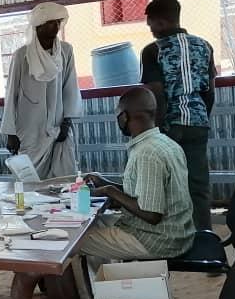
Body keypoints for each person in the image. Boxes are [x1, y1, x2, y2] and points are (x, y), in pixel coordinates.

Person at [81, 87, 194, 266]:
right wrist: (105, 183)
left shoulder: (146, 153)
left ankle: (81, 294)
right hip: (178, 233)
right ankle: (101, 286)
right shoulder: (165, 143)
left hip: (158, 240)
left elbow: (151, 214)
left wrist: (109, 191)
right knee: (90, 225)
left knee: (72, 242)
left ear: (124, 117)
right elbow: (142, 193)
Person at [140, 0, 217, 230]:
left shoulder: (153, 51)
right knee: (198, 187)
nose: (150, 29)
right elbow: (210, 90)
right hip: (197, 123)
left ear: (161, 22)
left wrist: (158, 131)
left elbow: (156, 94)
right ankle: (203, 238)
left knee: (164, 186)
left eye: (151, 24)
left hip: (169, 126)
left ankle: (173, 238)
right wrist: (201, 118)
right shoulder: (204, 46)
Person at [1, 2, 82, 180]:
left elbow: (70, 87)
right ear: (38, 25)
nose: (56, 26)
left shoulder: (66, 51)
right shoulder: (22, 55)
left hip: (58, 126)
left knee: (64, 179)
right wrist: (10, 133)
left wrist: (66, 123)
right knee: (30, 181)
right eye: (51, 22)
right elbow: (11, 94)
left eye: (58, 22)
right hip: (30, 129)